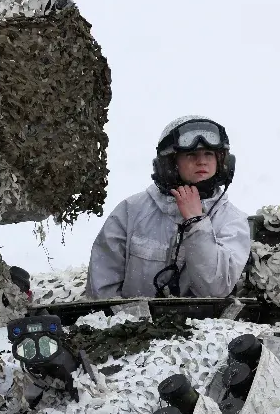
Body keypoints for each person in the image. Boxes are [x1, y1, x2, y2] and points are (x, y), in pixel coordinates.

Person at [86, 115, 251, 299]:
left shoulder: (232, 220)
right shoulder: (131, 210)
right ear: (171, 162)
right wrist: (131, 324)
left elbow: (217, 288)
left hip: (202, 326)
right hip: (132, 325)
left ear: (222, 162)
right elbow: (101, 289)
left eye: (209, 154)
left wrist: (197, 224)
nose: (202, 161)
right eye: (191, 154)